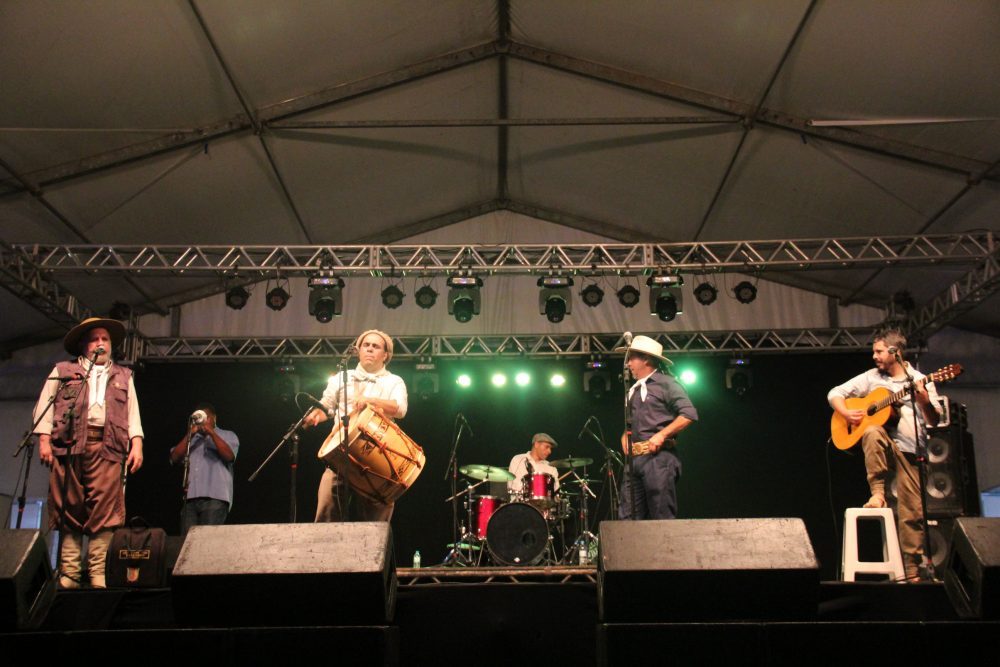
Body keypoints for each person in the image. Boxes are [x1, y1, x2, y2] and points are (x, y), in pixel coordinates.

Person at [33, 317, 144, 588]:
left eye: (105, 339)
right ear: (84, 345)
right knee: (68, 507)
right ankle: (70, 573)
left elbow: (133, 413)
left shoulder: (123, 375)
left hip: (108, 446)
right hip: (69, 446)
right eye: (94, 339)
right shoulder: (63, 370)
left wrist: (137, 444)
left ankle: (97, 573)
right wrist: (44, 440)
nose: (100, 343)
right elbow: (44, 406)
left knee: (104, 512)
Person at [828, 329, 942, 582]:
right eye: (874, 352)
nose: (874, 356)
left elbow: (934, 421)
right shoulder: (872, 377)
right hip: (884, 446)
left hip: (912, 451)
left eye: (879, 351)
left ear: (895, 352)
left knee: (912, 513)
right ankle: (877, 493)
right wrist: (846, 413)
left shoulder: (920, 379)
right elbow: (834, 393)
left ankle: (912, 572)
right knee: (871, 431)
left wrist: (923, 401)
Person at [304, 329, 408, 522]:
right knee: (326, 513)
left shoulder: (394, 381)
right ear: (358, 351)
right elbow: (326, 406)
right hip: (341, 454)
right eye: (365, 345)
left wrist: (370, 400)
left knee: (375, 525)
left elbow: (400, 409)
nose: (369, 349)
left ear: (385, 355)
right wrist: (317, 415)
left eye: (375, 346)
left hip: (376, 457)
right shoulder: (341, 377)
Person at [618, 335, 697, 520]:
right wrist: (624, 437)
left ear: (646, 359)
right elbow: (633, 422)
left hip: (658, 458)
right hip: (634, 461)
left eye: (632, 358)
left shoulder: (666, 383)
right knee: (627, 517)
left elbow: (689, 414)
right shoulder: (633, 390)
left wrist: (661, 435)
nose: (628, 363)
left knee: (661, 515)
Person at [169, 402, 239, 537]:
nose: (201, 420)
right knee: (186, 542)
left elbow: (229, 456)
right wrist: (190, 434)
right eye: (198, 417)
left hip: (215, 499)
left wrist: (211, 433)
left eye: (205, 417)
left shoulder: (227, 435)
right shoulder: (191, 440)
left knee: (207, 541)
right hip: (190, 499)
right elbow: (174, 458)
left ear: (214, 418)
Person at [508, 433, 561, 499]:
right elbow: (512, 486)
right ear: (536, 444)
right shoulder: (518, 459)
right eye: (547, 447)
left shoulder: (551, 468)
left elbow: (556, 493)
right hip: (519, 503)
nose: (549, 451)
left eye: (550, 448)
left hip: (544, 505)